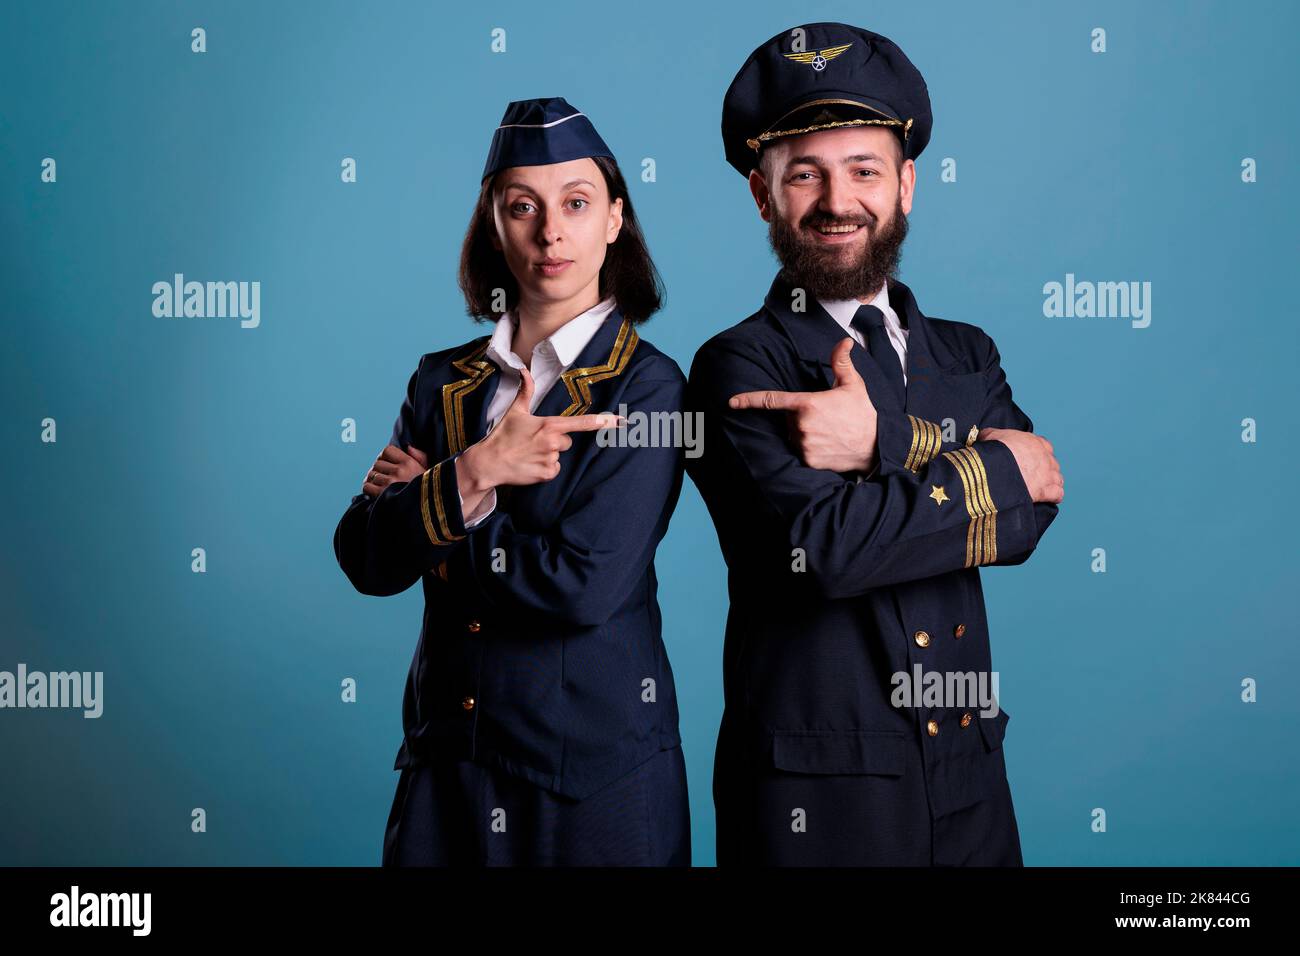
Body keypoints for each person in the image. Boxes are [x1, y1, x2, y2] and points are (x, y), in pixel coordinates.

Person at [685, 23, 1064, 865]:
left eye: (864, 170)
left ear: (906, 185)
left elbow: (1036, 511)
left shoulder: (967, 352)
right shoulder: (733, 365)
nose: (837, 201)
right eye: (805, 174)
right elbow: (824, 551)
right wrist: (985, 464)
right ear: (762, 194)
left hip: (970, 773)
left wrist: (881, 442)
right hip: (817, 801)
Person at [333, 96, 690, 866]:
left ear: (615, 219)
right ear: (493, 222)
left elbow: (582, 587)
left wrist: (436, 511)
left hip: (594, 782)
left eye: (576, 203)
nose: (550, 231)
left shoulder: (648, 388)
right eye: (522, 206)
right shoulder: (440, 383)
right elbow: (364, 556)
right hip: (447, 764)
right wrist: (476, 470)